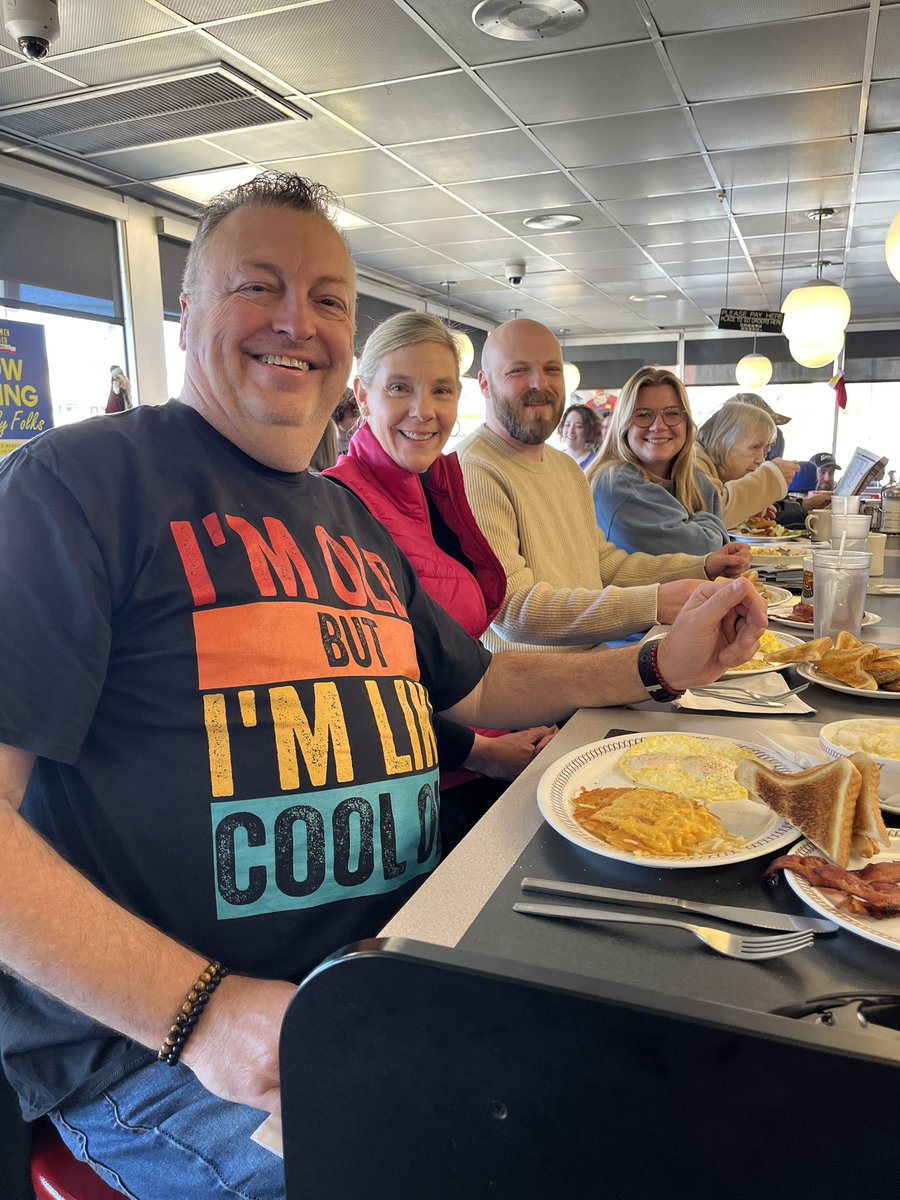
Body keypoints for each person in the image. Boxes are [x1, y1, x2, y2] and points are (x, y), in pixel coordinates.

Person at [0, 172, 767, 1200]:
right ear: (186, 316)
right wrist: (200, 1013)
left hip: (395, 969)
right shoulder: (80, 482)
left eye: (326, 300)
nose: (296, 323)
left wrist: (653, 664)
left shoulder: (345, 519)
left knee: (683, 1088)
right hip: (166, 1057)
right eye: (257, 287)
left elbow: (481, 687)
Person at [324, 310, 556, 850]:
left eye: (441, 390)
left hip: (471, 747)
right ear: (363, 394)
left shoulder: (434, 488)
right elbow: (365, 696)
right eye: (400, 388)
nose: (423, 412)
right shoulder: (341, 507)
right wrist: (485, 751)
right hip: (418, 792)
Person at [456, 319, 752, 655]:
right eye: (518, 371)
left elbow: (604, 564)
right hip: (532, 687)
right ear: (484, 384)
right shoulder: (474, 470)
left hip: (589, 662)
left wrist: (702, 565)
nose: (539, 383)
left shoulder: (565, 467)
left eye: (552, 369)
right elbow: (514, 613)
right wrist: (654, 602)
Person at [587, 367, 729, 556]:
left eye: (671, 413)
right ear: (624, 424)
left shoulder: (697, 482)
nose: (658, 426)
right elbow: (703, 552)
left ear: (686, 422)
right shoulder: (615, 483)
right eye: (643, 414)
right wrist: (710, 528)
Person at [696, 400, 799, 528]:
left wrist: (747, 510)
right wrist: (772, 477)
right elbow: (714, 516)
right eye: (755, 447)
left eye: (766, 451)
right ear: (720, 443)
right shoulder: (694, 462)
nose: (761, 460)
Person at [558, 403, 602, 469]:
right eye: (567, 425)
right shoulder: (554, 458)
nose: (571, 430)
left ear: (588, 430)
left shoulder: (596, 463)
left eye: (578, 426)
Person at [332, 387, 359, 455]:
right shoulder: (330, 447)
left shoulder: (361, 442)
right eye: (353, 415)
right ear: (338, 416)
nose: (358, 420)